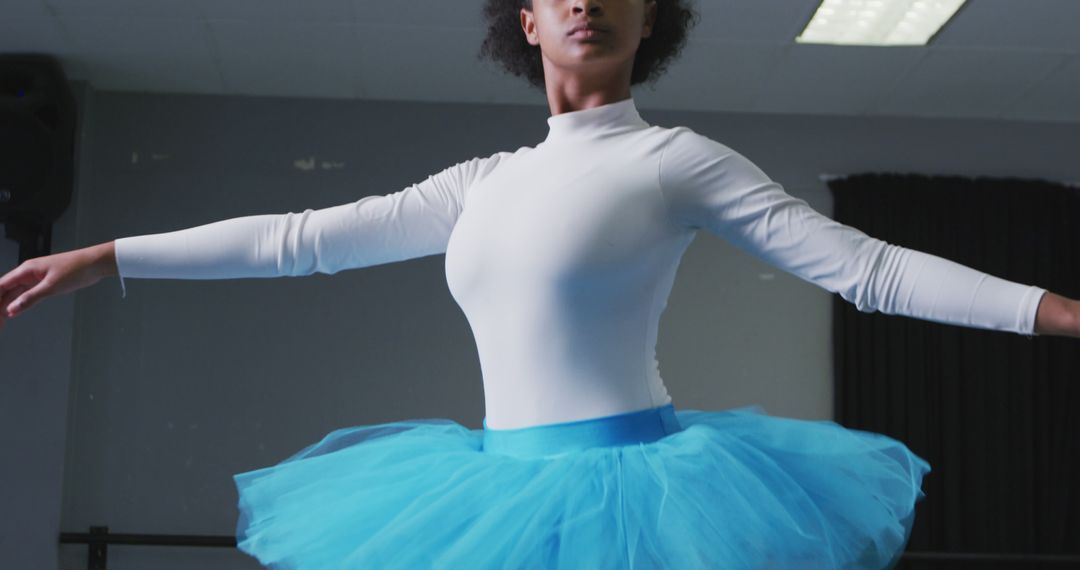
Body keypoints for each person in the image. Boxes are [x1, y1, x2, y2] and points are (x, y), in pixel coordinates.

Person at [2, 0, 1078, 568]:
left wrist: (1060, 311)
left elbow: (871, 271)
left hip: (646, 501)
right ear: (525, 19)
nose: (587, 1)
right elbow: (299, 239)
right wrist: (106, 255)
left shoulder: (675, 162)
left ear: (650, 16)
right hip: (489, 493)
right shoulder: (480, 185)